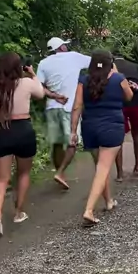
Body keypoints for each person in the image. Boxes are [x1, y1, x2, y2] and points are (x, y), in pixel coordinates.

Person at [0, 52, 67, 237]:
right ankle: (19, 212)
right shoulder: (26, 83)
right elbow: (40, 93)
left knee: (1, 179)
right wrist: (32, 74)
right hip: (23, 130)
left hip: (1, 130)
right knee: (23, 173)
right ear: (18, 67)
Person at [70, 51, 133, 227]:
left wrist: (73, 131)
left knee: (100, 167)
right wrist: (117, 74)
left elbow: (77, 106)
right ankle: (89, 210)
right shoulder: (118, 78)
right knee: (103, 168)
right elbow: (129, 97)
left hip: (90, 128)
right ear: (110, 63)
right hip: (112, 127)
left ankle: (109, 201)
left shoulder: (83, 80)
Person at [37, 37, 91, 190]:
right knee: (72, 142)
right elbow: (96, 62)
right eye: (64, 45)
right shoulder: (73, 57)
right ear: (60, 48)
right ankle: (60, 172)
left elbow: (39, 87)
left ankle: (60, 174)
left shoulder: (43, 63)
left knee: (57, 143)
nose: (66, 47)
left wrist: (54, 95)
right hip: (70, 108)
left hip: (52, 108)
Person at [113, 50, 138, 180]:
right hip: (137, 103)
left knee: (118, 138)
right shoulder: (136, 66)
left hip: (119, 104)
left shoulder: (111, 68)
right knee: (137, 133)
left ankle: (120, 173)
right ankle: (137, 167)